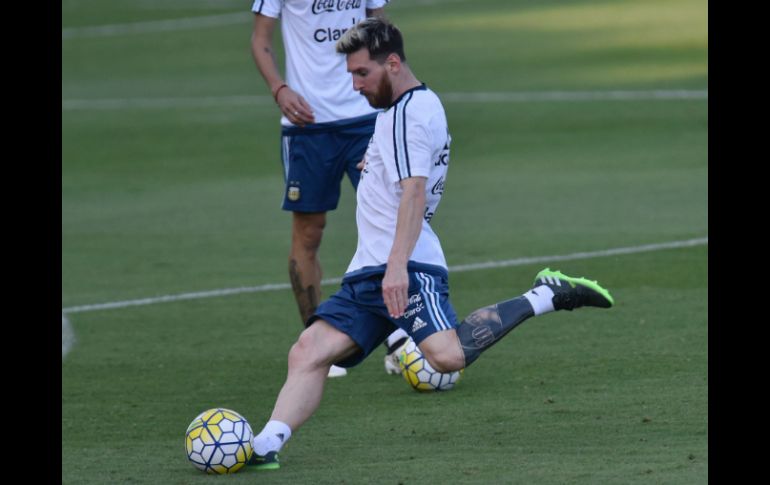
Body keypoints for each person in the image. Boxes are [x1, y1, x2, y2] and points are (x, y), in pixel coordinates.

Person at [247, 17, 615, 470]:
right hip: (370, 270)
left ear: (394, 64)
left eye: (362, 74)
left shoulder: (409, 114)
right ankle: (266, 445)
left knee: (446, 357)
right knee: (307, 351)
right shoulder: (400, 113)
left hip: (408, 266)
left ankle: (546, 294)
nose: (355, 85)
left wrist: (398, 265)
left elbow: (414, 192)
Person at [250, 0, 410, 379]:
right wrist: (279, 89)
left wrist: (394, 91)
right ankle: (316, 337)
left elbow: (383, 30)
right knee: (309, 232)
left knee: (390, 221)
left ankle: (402, 335)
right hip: (308, 124)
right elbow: (260, 40)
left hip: (366, 117)